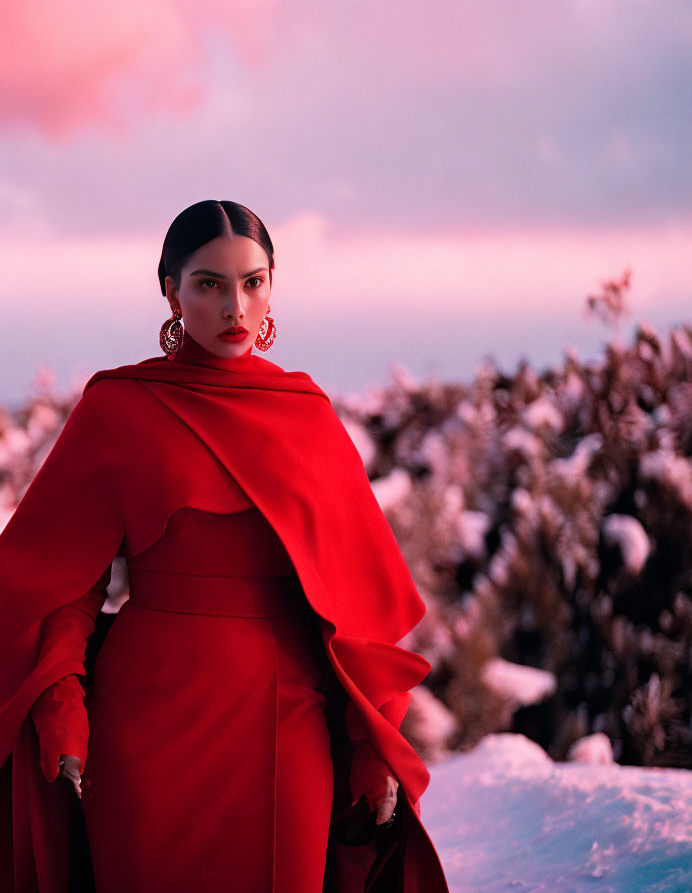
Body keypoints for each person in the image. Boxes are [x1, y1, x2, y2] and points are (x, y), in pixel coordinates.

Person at [0, 200, 450, 892]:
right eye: (208, 283)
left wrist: (371, 745)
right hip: (144, 724)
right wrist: (62, 703)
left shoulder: (308, 417)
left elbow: (357, 614)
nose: (233, 305)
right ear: (170, 290)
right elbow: (63, 582)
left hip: (284, 720)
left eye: (253, 281)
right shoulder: (120, 406)